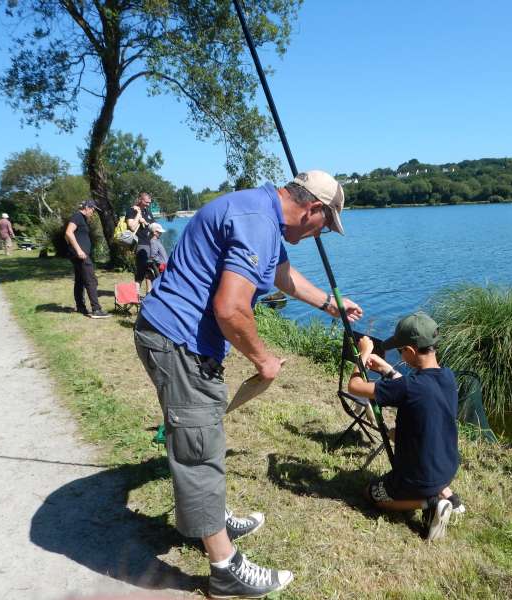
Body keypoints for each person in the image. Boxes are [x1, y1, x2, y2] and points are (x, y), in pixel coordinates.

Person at [134, 170, 362, 598]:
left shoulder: (261, 212)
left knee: (202, 434)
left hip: (175, 335)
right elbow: (231, 308)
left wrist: (330, 304)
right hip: (177, 339)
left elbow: (280, 273)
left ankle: (210, 517)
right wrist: (263, 359)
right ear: (312, 208)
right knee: (199, 448)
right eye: (325, 225)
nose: (321, 234)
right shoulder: (258, 220)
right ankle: (225, 570)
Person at [347, 312, 462, 542]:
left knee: (370, 494)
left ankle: (430, 502)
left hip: (416, 477)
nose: (399, 354)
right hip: (448, 466)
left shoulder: (409, 387)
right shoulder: (448, 377)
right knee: (395, 434)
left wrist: (364, 353)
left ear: (409, 351)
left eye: (400, 350)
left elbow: (355, 387)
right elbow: (411, 389)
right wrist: (386, 369)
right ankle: (450, 497)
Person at [64, 200, 111, 319]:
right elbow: (68, 233)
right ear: (86, 207)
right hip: (81, 255)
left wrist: (72, 248)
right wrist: (78, 250)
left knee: (80, 281)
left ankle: (80, 307)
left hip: (79, 254)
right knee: (91, 280)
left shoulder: (82, 218)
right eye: (93, 210)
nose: (93, 212)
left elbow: (67, 236)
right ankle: (96, 309)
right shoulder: (78, 216)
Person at [125, 192, 155, 295]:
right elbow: (131, 227)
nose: (148, 204)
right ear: (140, 200)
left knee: (150, 270)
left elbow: (152, 227)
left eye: (149, 202)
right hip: (140, 244)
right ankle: (135, 294)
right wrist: (139, 216)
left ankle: (149, 294)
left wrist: (148, 224)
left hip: (150, 243)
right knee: (141, 270)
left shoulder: (148, 211)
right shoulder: (132, 210)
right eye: (146, 202)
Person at [145, 222, 168, 291]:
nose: (161, 233)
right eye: (159, 232)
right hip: (161, 266)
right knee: (161, 283)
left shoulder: (157, 241)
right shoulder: (153, 242)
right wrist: (160, 263)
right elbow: (153, 256)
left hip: (164, 265)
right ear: (155, 232)